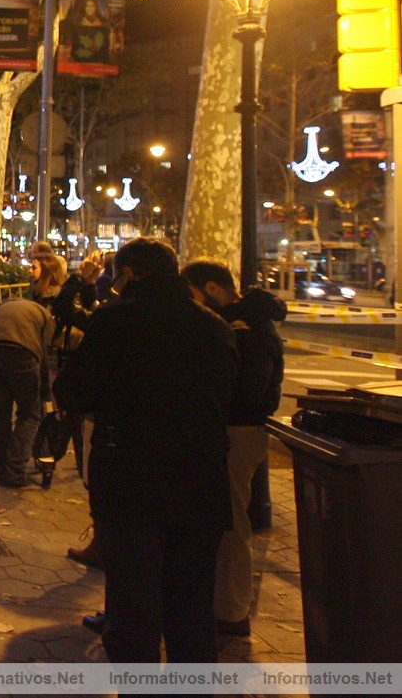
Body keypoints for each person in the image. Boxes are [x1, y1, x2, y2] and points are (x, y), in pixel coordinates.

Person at [55, 238, 236, 664]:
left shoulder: (117, 319)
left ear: (130, 275)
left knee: (134, 610)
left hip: (131, 482)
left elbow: (75, 391)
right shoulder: (215, 327)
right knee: (191, 611)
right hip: (200, 485)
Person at [181, 259, 286, 639]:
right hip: (232, 429)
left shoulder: (246, 328)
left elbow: (246, 389)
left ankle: (230, 612)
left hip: (237, 431)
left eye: (191, 294)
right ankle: (219, 605)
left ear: (210, 288)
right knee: (221, 519)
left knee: (231, 523)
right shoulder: (243, 323)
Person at [0, 269, 57, 487]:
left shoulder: (4, 307)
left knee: (0, 414)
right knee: (30, 415)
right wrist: (45, 394)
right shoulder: (45, 316)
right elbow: (43, 355)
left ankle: (2, 467)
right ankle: (14, 470)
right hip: (22, 354)